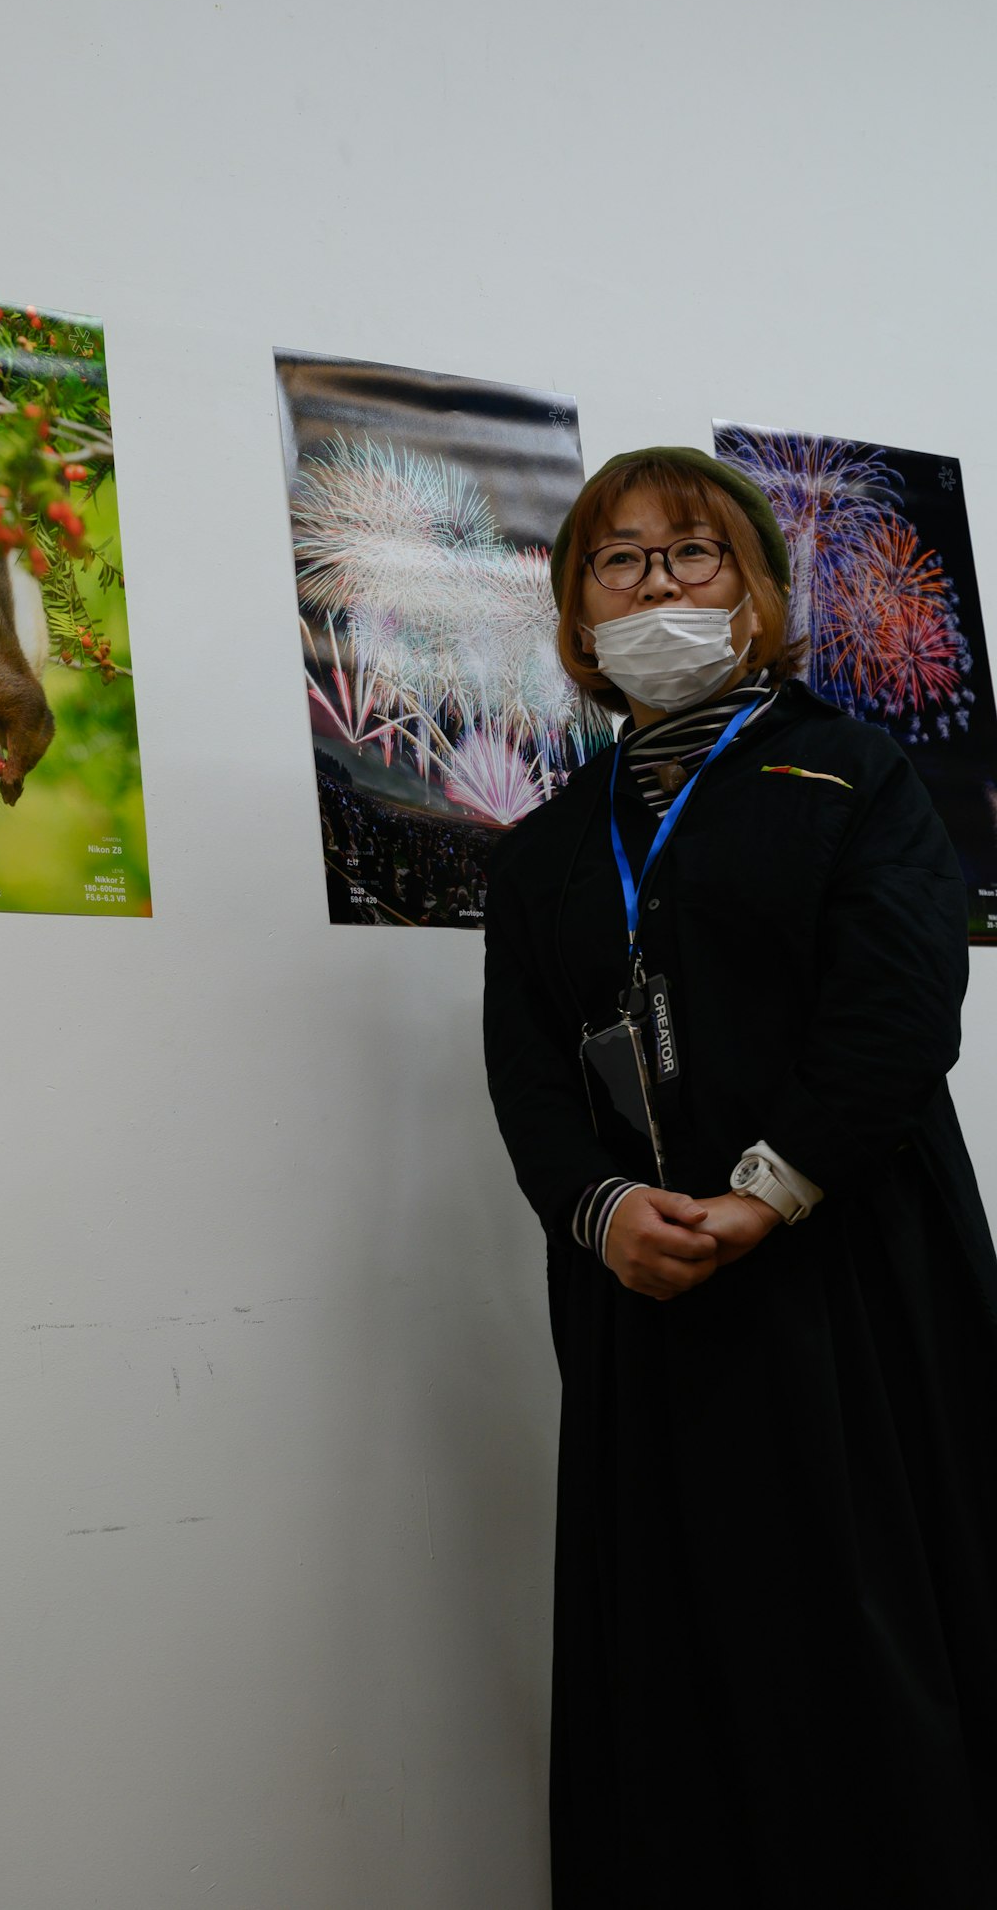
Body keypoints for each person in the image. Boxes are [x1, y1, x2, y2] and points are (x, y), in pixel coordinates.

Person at [482, 446, 997, 1910]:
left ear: (760, 595)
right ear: (579, 617)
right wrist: (603, 1213)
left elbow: (901, 1008)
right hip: (652, 1311)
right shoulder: (544, 856)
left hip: (854, 1291)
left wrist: (773, 1186)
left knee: (876, 1650)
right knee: (683, 1672)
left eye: (693, 554)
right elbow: (528, 1081)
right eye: (618, 559)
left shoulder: (853, 769)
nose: (656, 583)